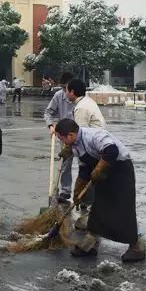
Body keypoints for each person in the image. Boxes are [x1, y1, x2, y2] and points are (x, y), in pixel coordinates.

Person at [54, 119, 146, 261]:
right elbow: (84, 169)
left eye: (62, 139)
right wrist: (77, 192)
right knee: (99, 207)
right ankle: (90, 244)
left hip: (120, 170)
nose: (63, 143)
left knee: (123, 209)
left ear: (71, 135)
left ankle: (137, 247)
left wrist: (98, 168)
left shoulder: (94, 136)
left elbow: (111, 150)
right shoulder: (76, 146)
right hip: (103, 174)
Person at [65, 78, 106, 230]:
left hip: (92, 150)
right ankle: (88, 209)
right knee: (87, 180)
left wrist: (68, 149)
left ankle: (90, 215)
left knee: (85, 181)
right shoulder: (86, 102)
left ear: (72, 92)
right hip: (96, 147)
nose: (65, 93)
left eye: (66, 90)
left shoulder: (81, 108)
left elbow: (77, 135)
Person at [45, 72, 77, 202]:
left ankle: (85, 197)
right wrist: (51, 125)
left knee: (85, 164)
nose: (65, 92)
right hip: (65, 137)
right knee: (65, 164)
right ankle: (65, 191)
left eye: (67, 88)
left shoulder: (81, 99)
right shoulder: (58, 96)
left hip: (80, 136)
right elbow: (49, 112)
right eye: (63, 88)